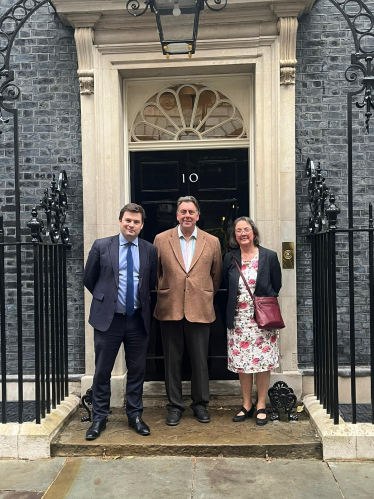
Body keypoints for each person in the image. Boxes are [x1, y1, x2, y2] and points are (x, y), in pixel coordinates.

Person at [83, 203, 158, 440]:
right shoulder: (102, 246)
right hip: (108, 320)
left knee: (137, 371)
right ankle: (99, 418)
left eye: (136, 222)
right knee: (102, 371)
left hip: (137, 320)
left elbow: (152, 282)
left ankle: (134, 415)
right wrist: (107, 300)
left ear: (142, 225)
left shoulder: (149, 250)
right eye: (128, 220)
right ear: (120, 221)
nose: (131, 225)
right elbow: (89, 279)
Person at [154, 196, 222, 426]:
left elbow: (216, 274)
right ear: (177, 215)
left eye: (191, 212)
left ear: (198, 215)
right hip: (169, 306)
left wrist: (202, 293)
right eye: (183, 211)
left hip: (200, 307)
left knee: (199, 360)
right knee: (172, 360)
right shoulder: (161, 239)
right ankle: (174, 406)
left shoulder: (212, 241)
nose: (187, 216)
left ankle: (200, 404)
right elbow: (155, 272)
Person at [223, 217, 282, 426]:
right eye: (238, 231)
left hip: (263, 320)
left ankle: (261, 404)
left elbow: (277, 285)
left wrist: (261, 303)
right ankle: (246, 404)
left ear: (254, 232)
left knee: (262, 363)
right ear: (235, 236)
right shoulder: (230, 258)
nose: (242, 233)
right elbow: (225, 286)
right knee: (242, 364)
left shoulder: (270, 256)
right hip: (238, 319)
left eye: (246, 229)